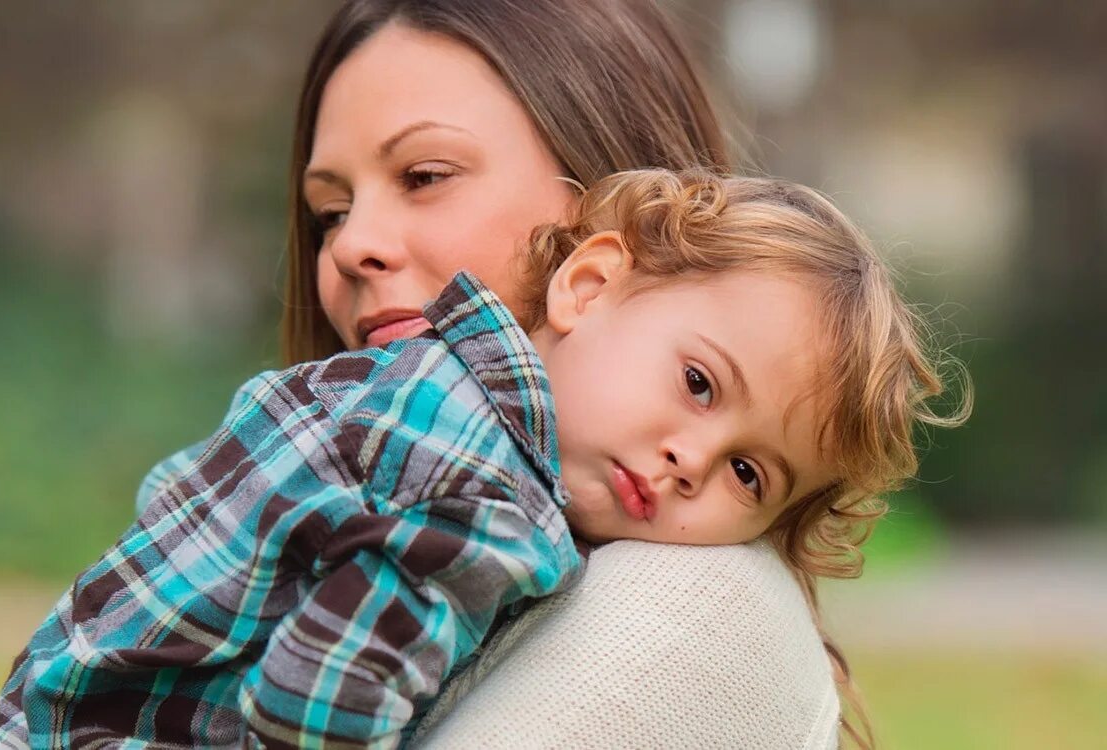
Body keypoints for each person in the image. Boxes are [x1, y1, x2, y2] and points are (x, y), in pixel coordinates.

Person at [62, 0, 877, 746]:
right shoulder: (413, 465)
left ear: (606, 232)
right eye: (329, 213)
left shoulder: (688, 609)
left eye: (424, 175)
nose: (349, 246)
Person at [0, 167, 964, 749]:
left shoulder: (423, 379)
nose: (688, 461)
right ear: (588, 283)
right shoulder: (482, 492)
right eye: (701, 385)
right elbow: (317, 704)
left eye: (750, 475)